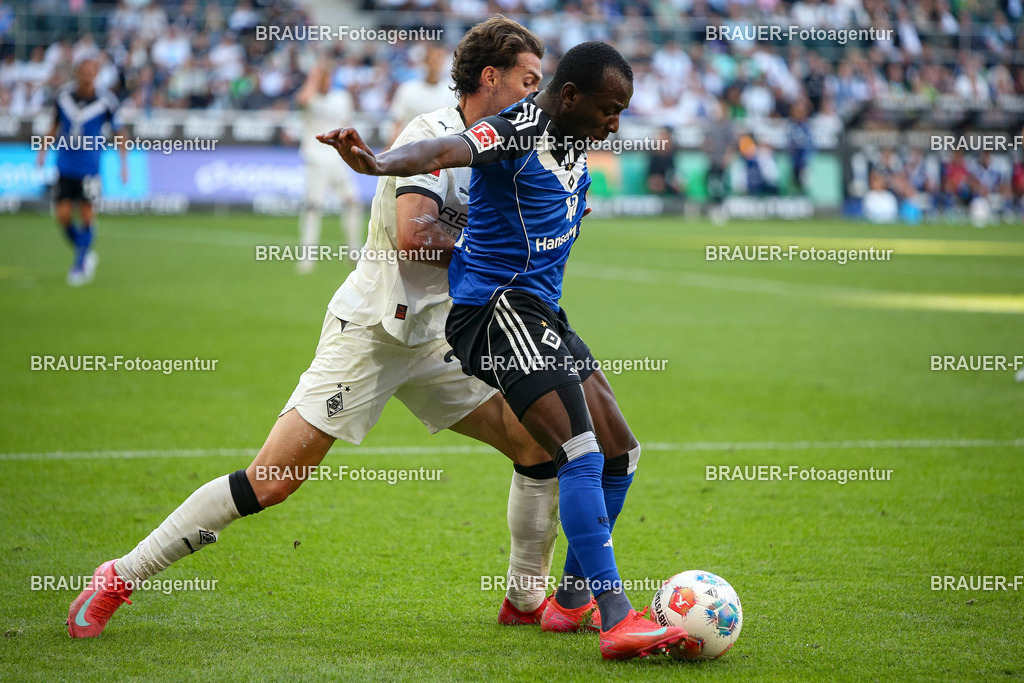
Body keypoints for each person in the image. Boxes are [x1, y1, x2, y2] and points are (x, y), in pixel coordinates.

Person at [67, 16, 565, 640]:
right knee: (272, 482)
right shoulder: (433, 133)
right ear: (489, 78)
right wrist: (503, 246)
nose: (536, 97)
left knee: (537, 444)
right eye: (527, 81)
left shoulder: (510, 146)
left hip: (442, 336)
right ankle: (119, 575)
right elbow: (416, 238)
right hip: (373, 332)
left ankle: (523, 600)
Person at [319, 41, 688, 660]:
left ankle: (569, 606)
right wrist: (379, 163)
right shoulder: (518, 127)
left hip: (538, 312)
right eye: (609, 108)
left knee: (622, 451)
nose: (615, 122)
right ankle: (618, 617)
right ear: (570, 97)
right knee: (578, 450)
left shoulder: (574, 140)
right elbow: (443, 151)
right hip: (493, 312)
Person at [36, 53, 128, 286]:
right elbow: (54, 125)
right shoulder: (64, 96)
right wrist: (42, 151)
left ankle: (79, 265)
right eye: (84, 72)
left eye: (91, 72)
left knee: (87, 213)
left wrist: (123, 165)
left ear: (96, 74)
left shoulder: (106, 100)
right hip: (65, 163)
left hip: (90, 166)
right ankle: (85, 252)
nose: (88, 76)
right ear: (77, 73)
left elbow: (119, 132)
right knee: (63, 215)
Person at [295, 58, 363, 274]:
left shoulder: (341, 98)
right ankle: (307, 257)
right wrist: (314, 76)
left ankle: (354, 252)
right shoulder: (311, 97)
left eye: (328, 77)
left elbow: (348, 126)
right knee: (313, 207)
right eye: (322, 78)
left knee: (352, 202)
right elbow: (302, 99)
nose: (326, 82)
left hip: (338, 160)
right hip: (315, 160)